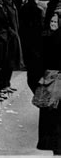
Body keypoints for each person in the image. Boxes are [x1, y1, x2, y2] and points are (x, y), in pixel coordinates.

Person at [33, 10, 61, 155]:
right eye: (51, 21)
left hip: (52, 83)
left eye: (56, 22)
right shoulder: (48, 37)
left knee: (53, 121)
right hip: (51, 83)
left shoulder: (50, 39)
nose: (53, 25)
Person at [0, 0, 23, 94]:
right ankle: (2, 84)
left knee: (10, 62)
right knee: (5, 62)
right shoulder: (3, 2)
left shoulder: (10, 1)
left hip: (13, 35)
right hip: (8, 36)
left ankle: (6, 83)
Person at [20, 0, 44, 92]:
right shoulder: (38, 10)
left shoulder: (23, 7)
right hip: (35, 36)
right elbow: (40, 24)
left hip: (25, 35)